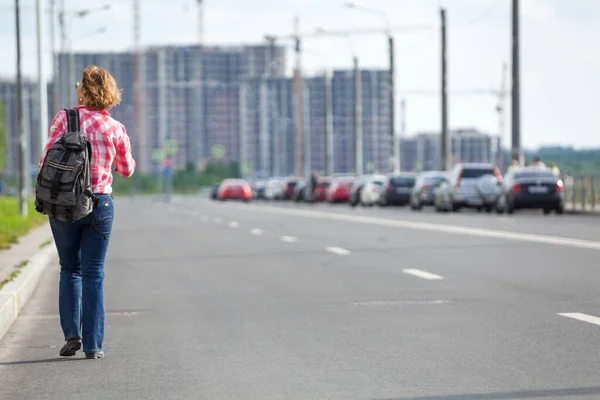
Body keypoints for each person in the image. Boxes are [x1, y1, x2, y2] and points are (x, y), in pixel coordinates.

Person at [38, 65, 136, 359]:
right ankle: (93, 346)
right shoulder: (115, 128)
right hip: (99, 204)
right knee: (94, 274)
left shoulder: (64, 119)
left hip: (64, 202)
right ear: (109, 93)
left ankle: (71, 335)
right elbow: (127, 170)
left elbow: (46, 159)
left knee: (69, 268)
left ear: (83, 90)